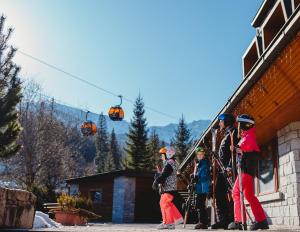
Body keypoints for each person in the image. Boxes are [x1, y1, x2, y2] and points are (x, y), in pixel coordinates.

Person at [228, 114, 269, 231]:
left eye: (240, 124)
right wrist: (238, 149)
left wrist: (239, 151)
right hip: (247, 171)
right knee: (249, 196)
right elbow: (248, 152)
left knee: (235, 193)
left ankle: (239, 221)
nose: (239, 127)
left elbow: (255, 155)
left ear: (245, 125)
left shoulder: (248, 138)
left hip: (245, 171)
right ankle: (262, 221)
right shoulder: (246, 137)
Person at [211, 113, 238, 229]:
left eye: (221, 121)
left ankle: (232, 219)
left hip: (229, 169)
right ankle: (224, 219)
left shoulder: (233, 133)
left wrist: (230, 167)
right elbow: (225, 153)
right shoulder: (227, 133)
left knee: (231, 194)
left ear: (226, 121)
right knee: (218, 192)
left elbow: (235, 151)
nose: (219, 123)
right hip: (223, 170)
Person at [153, 147, 183, 230]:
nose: (161, 157)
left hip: (169, 188)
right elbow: (165, 174)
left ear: (168, 155)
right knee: (167, 204)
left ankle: (168, 223)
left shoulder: (169, 164)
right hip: (170, 188)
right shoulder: (171, 163)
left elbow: (164, 175)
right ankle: (176, 219)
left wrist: (156, 181)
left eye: (163, 155)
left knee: (164, 204)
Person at [193, 147, 211, 230]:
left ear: (203, 155)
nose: (200, 156)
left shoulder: (204, 163)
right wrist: (194, 177)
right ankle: (203, 221)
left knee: (200, 204)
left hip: (203, 186)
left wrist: (197, 177)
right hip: (199, 187)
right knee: (199, 204)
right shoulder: (198, 163)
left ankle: (203, 222)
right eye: (198, 155)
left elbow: (204, 175)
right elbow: (197, 174)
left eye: (201, 154)